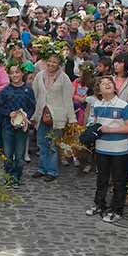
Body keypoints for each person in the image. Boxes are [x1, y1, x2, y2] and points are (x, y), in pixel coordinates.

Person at [85, 77, 128, 223]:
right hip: (101, 148)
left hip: (118, 149)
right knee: (102, 178)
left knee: (118, 180)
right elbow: (95, 123)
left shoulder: (123, 106)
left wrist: (110, 130)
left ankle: (116, 209)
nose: (107, 85)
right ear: (99, 89)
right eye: (103, 83)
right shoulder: (98, 105)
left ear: (114, 88)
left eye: (110, 83)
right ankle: (99, 204)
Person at [31, 49, 76, 181]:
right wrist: (34, 115)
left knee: (53, 145)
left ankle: (52, 170)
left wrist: (72, 118)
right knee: (41, 143)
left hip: (57, 116)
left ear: (59, 64)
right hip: (41, 114)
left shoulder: (64, 78)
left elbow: (68, 99)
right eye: (49, 61)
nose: (51, 64)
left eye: (54, 62)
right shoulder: (40, 76)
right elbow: (35, 95)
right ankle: (42, 168)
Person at [0, 63, 36, 186]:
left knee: (20, 155)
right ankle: (8, 175)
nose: (15, 75)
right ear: (9, 75)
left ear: (22, 74)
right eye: (12, 72)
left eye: (17, 72)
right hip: (8, 126)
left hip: (22, 127)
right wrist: (9, 113)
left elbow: (32, 107)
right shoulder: (6, 91)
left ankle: (17, 176)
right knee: (8, 154)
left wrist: (26, 117)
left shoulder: (28, 90)